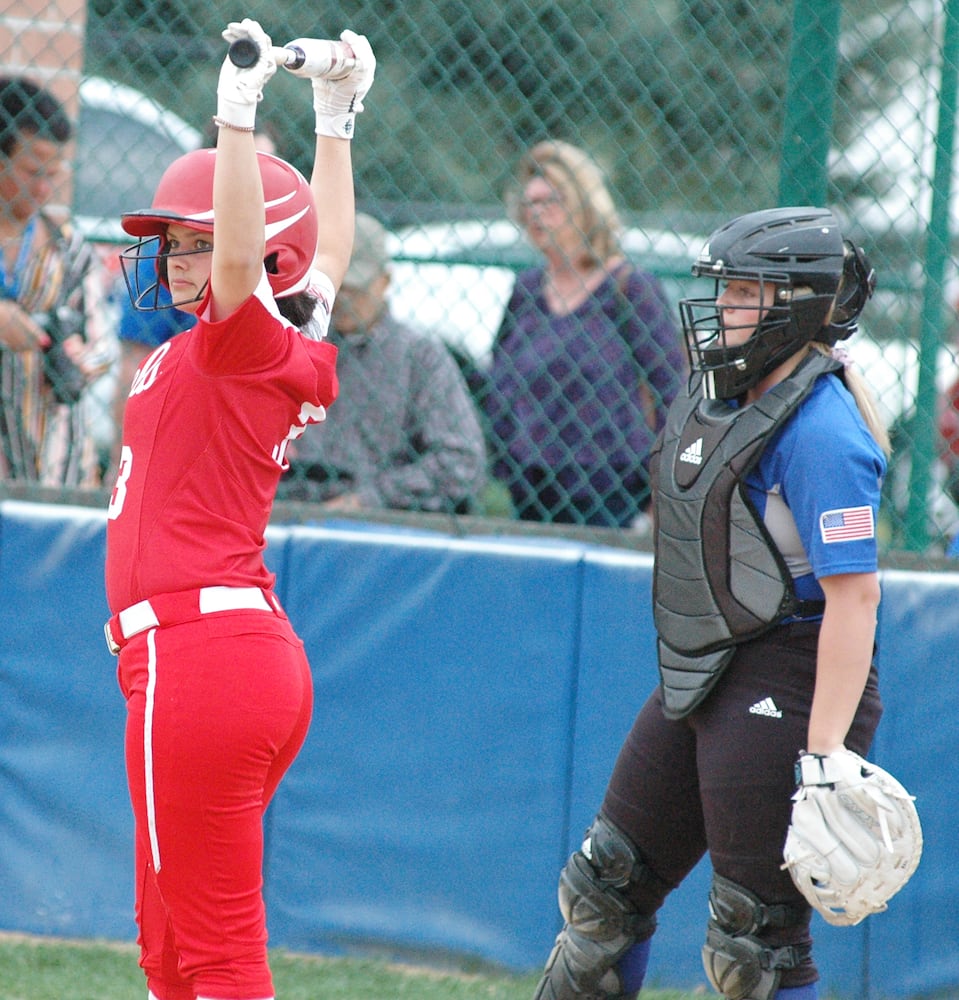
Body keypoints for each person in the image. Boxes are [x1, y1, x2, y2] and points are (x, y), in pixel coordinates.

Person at [531, 208, 891, 1000]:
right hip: (709, 667)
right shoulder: (720, 396)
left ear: (797, 304)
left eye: (743, 291)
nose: (721, 306)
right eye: (723, 287)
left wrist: (825, 753)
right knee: (603, 893)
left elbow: (854, 599)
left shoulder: (822, 426)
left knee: (754, 944)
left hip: (793, 678)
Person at [103, 19, 374, 1000]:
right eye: (170, 243)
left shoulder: (238, 336)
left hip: (196, 656)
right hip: (221, 656)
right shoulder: (270, 335)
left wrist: (238, 116)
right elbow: (325, 245)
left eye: (194, 240)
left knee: (213, 959)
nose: (178, 258)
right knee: (170, 950)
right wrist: (337, 116)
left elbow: (245, 264)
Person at [482, 139, 686, 529]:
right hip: (532, 488)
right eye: (530, 204)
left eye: (551, 201)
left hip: (611, 493)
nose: (537, 215)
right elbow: (499, 380)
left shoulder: (629, 288)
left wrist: (665, 493)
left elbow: (670, 394)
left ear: (584, 206)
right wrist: (507, 456)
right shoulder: (526, 290)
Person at [281, 211, 487, 514]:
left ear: (384, 281)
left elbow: (462, 460)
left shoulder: (418, 356)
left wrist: (369, 499)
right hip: (289, 506)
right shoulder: (294, 341)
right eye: (336, 287)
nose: (342, 300)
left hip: (379, 520)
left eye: (354, 289)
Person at [110, 126, 280, 468]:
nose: (257, 184)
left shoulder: (283, 257)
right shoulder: (168, 260)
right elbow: (134, 373)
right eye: (248, 167)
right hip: (180, 431)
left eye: (267, 169)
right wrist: (122, 468)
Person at [0, 76, 113, 484]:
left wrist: (81, 357)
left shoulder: (69, 251)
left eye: (54, 173)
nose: (44, 188)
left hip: (53, 465)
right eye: (32, 172)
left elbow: (103, 349)